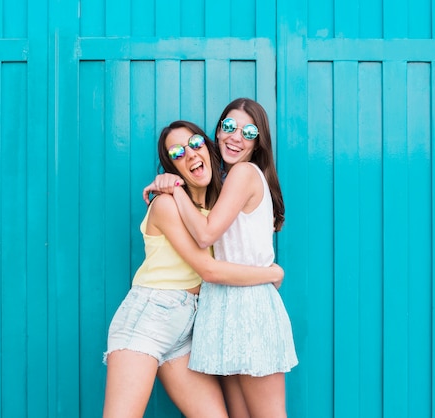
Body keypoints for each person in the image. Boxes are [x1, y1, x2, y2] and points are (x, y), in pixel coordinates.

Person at [103, 120, 285, 418]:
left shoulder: (213, 213)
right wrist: (272, 274)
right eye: (177, 152)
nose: (189, 154)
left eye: (195, 143)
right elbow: (209, 269)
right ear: (172, 167)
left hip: (187, 329)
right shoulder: (166, 205)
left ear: (208, 147)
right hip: (148, 318)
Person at [142, 99, 298, 418]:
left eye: (248, 131)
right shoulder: (224, 185)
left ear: (258, 142)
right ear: (217, 132)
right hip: (223, 308)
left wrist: (175, 191)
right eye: (228, 127)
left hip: (249, 307)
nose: (235, 136)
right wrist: (169, 184)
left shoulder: (243, 173)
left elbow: (205, 235)